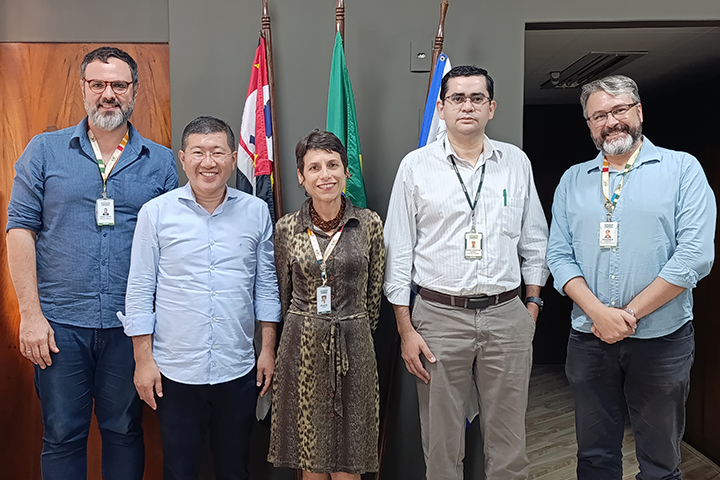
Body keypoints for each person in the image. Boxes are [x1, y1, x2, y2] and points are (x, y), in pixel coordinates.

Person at [6, 46, 178, 479]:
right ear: (83, 88)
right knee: (61, 434)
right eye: (98, 84)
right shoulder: (44, 151)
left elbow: (173, 248)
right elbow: (19, 231)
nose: (108, 94)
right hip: (60, 326)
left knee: (124, 430)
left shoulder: (159, 161)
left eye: (119, 85)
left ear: (134, 90)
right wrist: (30, 316)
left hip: (130, 328)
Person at [384, 65, 549, 480]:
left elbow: (535, 241)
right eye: (457, 98)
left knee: (510, 444)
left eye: (477, 98)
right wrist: (405, 328)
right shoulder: (416, 166)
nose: (467, 106)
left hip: (507, 314)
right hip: (438, 318)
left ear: (491, 107)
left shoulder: (515, 162)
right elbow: (398, 252)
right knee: (441, 447)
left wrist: (531, 305)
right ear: (441, 108)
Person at [547, 74, 716, 479]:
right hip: (589, 338)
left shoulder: (682, 169)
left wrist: (628, 316)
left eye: (619, 109)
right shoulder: (574, 179)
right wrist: (598, 314)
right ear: (589, 125)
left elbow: (694, 256)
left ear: (638, 111)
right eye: (599, 115)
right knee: (594, 457)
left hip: (662, 340)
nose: (611, 121)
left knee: (660, 461)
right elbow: (558, 254)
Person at [120, 116, 280, 480]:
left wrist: (267, 349)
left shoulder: (256, 212)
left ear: (233, 156)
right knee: (180, 470)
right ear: (182, 157)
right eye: (198, 152)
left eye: (217, 152)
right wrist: (143, 361)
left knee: (235, 468)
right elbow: (140, 291)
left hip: (238, 369)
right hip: (175, 372)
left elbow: (266, 288)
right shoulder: (156, 214)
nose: (208, 162)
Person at [268, 130, 385, 479]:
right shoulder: (287, 228)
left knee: (350, 460)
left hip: (355, 346)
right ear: (301, 178)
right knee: (311, 461)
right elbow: (283, 293)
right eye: (314, 167)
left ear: (346, 172)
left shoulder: (369, 224)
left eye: (333, 165)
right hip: (302, 349)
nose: (326, 175)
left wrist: (352, 325)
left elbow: (374, 295)